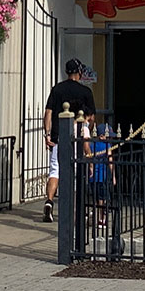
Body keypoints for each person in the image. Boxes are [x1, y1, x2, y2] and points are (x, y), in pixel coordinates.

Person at [43, 57, 97, 222]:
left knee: (55, 170)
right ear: (79, 73)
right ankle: (76, 210)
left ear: (67, 72)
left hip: (59, 135)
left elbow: (49, 113)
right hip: (78, 136)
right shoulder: (85, 92)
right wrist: (89, 130)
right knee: (78, 172)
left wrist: (47, 134)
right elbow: (92, 117)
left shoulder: (57, 89)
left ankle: (49, 201)